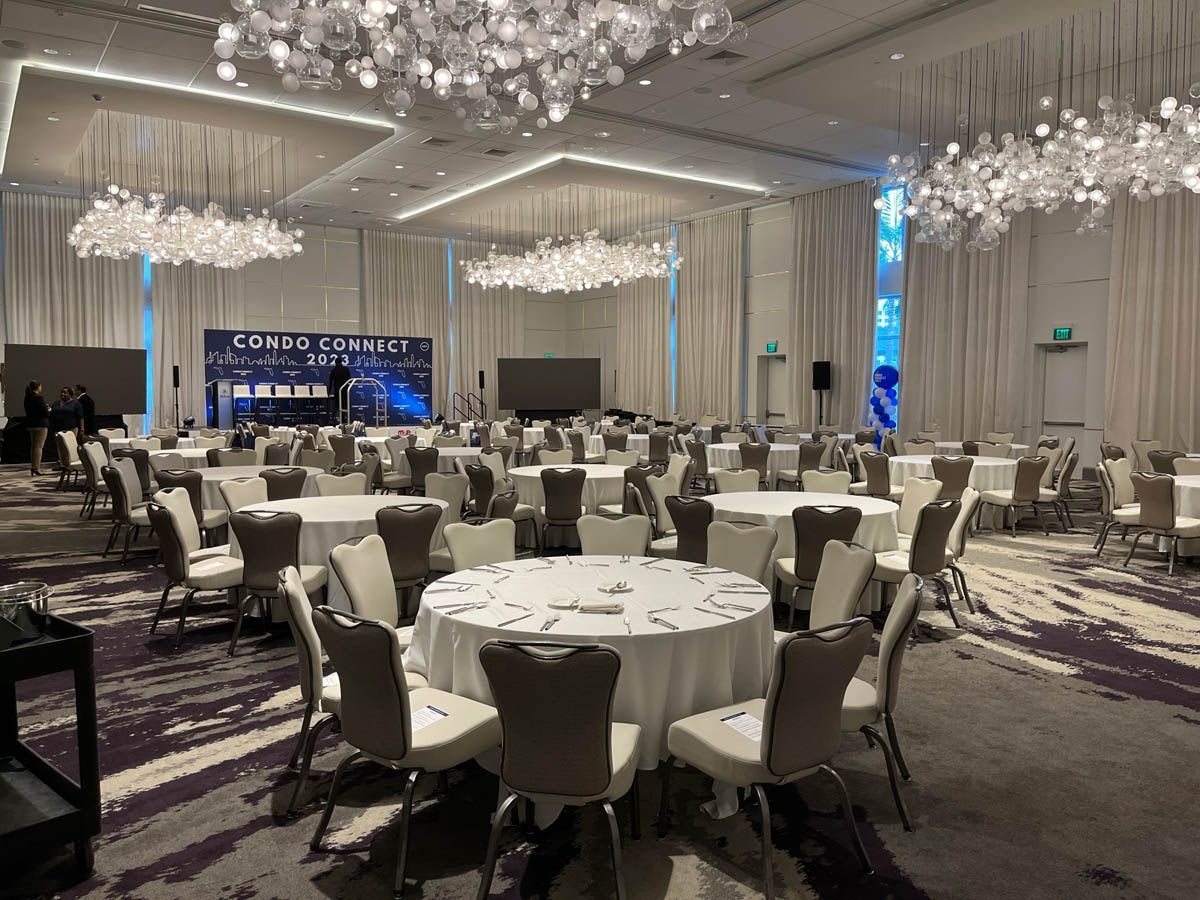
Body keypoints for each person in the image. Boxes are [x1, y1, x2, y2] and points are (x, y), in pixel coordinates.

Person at [24, 382, 50, 476]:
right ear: (38, 387)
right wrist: (48, 410)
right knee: (39, 447)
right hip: (41, 425)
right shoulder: (39, 398)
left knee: (33, 447)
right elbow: (45, 413)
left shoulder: (27, 398)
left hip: (31, 424)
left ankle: (33, 466)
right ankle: (36, 468)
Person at [328, 357, 352, 424]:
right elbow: (350, 380)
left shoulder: (333, 370)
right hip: (345, 391)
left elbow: (330, 382)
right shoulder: (346, 369)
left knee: (336, 406)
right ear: (341, 362)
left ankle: (333, 420)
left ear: (335, 363)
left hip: (337, 391)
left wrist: (329, 392)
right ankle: (344, 421)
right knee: (344, 406)